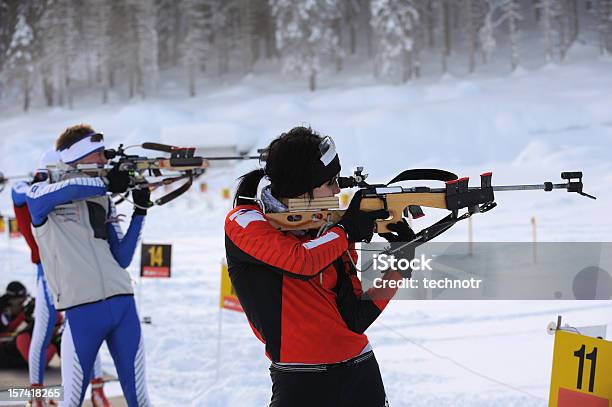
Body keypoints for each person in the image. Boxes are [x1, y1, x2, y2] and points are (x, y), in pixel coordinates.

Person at [224, 126, 415, 407]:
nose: (338, 190)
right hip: (299, 383)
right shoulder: (244, 222)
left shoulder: (331, 233)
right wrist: (346, 231)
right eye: (330, 181)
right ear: (303, 185)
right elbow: (301, 261)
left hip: (360, 374)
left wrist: (399, 264)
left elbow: (355, 319)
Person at [26, 124, 151, 407]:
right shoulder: (40, 194)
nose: (104, 162)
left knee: (140, 400)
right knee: (72, 401)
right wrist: (109, 181)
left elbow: (122, 257)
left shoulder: (101, 197)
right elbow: (67, 189)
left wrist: (140, 212)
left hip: (123, 305)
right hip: (82, 312)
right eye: (98, 155)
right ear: (76, 157)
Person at [12, 149, 112, 407]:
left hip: (73, 270)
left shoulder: (56, 192)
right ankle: (37, 396)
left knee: (83, 328)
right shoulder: (35, 194)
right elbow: (19, 191)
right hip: (48, 272)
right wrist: (40, 180)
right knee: (43, 331)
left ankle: (97, 388)